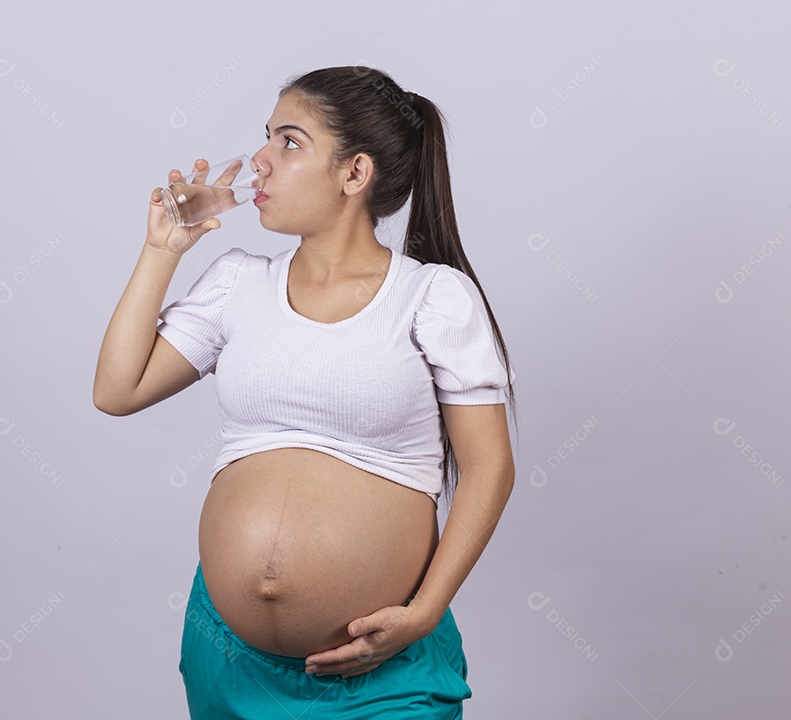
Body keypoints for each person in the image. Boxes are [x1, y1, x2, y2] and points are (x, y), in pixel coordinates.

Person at [94, 65, 518, 719]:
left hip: (386, 669)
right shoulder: (238, 285)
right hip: (228, 662)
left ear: (355, 174)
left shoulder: (431, 299)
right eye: (265, 137)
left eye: (288, 142)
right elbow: (117, 391)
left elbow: (490, 467)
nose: (258, 162)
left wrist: (423, 612)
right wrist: (163, 249)